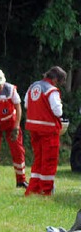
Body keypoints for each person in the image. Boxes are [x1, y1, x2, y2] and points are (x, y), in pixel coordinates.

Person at [24, 66, 67, 196]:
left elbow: (26, 104)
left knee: (38, 158)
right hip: (48, 129)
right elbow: (57, 111)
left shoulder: (33, 86)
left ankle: (33, 188)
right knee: (49, 160)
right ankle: (46, 190)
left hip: (33, 128)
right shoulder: (52, 90)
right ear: (55, 79)